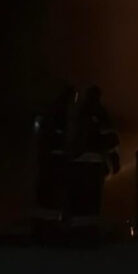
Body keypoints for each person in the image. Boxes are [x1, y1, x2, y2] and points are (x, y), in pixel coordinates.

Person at [65, 86, 120, 241]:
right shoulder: (100, 113)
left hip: (76, 164)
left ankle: (75, 232)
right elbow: (110, 139)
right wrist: (114, 161)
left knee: (77, 198)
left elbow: (69, 138)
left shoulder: (77, 112)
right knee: (92, 200)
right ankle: (88, 233)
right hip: (94, 165)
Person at [32, 86, 77, 239]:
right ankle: (50, 227)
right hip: (55, 159)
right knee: (54, 193)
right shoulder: (61, 115)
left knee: (48, 194)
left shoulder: (51, 114)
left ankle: (45, 227)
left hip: (50, 159)